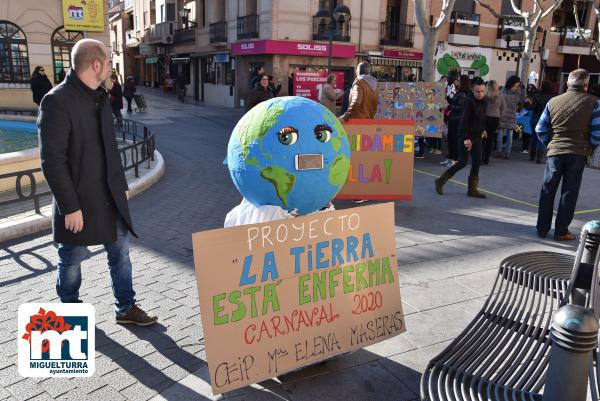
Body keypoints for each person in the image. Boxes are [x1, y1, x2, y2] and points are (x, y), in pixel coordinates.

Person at [37, 38, 158, 326]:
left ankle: (126, 307)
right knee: (72, 260)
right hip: (79, 203)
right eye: (108, 62)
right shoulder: (56, 101)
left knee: (121, 254)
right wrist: (69, 207)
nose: (110, 68)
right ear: (95, 65)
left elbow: (109, 148)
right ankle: (70, 309)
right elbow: (51, 162)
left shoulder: (100, 97)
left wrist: (121, 186)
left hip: (110, 198)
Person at [535, 69, 600, 241]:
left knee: (547, 189)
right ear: (586, 85)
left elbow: (540, 128)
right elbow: (597, 132)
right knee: (569, 192)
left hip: (555, 151)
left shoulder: (553, 101)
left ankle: (542, 228)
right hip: (578, 153)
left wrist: (550, 143)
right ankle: (561, 231)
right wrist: (589, 147)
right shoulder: (594, 102)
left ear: (568, 84)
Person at [435, 77, 488, 198]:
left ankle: (472, 190)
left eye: (482, 91)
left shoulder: (485, 101)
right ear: (472, 90)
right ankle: (440, 180)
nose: (480, 94)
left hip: (477, 137)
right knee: (463, 162)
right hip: (466, 136)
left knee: (477, 162)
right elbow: (463, 122)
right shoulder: (468, 102)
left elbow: (482, 118)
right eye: (477, 91)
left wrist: (483, 129)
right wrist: (466, 138)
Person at [442, 75, 470, 166]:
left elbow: (460, 108)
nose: (456, 81)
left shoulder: (462, 94)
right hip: (453, 118)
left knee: (454, 139)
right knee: (451, 139)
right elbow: (454, 102)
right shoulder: (459, 92)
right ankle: (450, 158)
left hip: (457, 119)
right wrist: (447, 98)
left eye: (458, 80)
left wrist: (449, 107)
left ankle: (455, 159)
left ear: (462, 82)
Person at [496, 75, 525, 159]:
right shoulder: (518, 92)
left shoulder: (503, 90)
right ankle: (508, 152)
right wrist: (523, 89)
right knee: (510, 134)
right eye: (517, 83)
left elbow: (499, 99)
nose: (518, 84)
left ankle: (499, 151)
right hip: (512, 114)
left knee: (501, 132)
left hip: (503, 113)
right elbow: (522, 100)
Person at [529, 81, 556, 164]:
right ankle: (539, 157)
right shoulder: (553, 98)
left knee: (534, 137)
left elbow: (532, 107)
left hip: (536, 118)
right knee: (542, 138)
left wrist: (528, 104)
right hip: (546, 120)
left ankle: (532, 156)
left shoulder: (537, 95)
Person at [483, 80, 505, 165]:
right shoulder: (500, 96)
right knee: (490, 138)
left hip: (485, 118)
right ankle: (487, 158)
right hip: (495, 118)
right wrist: (499, 114)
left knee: (482, 138)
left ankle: (481, 156)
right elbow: (504, 108)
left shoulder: (485, 97)